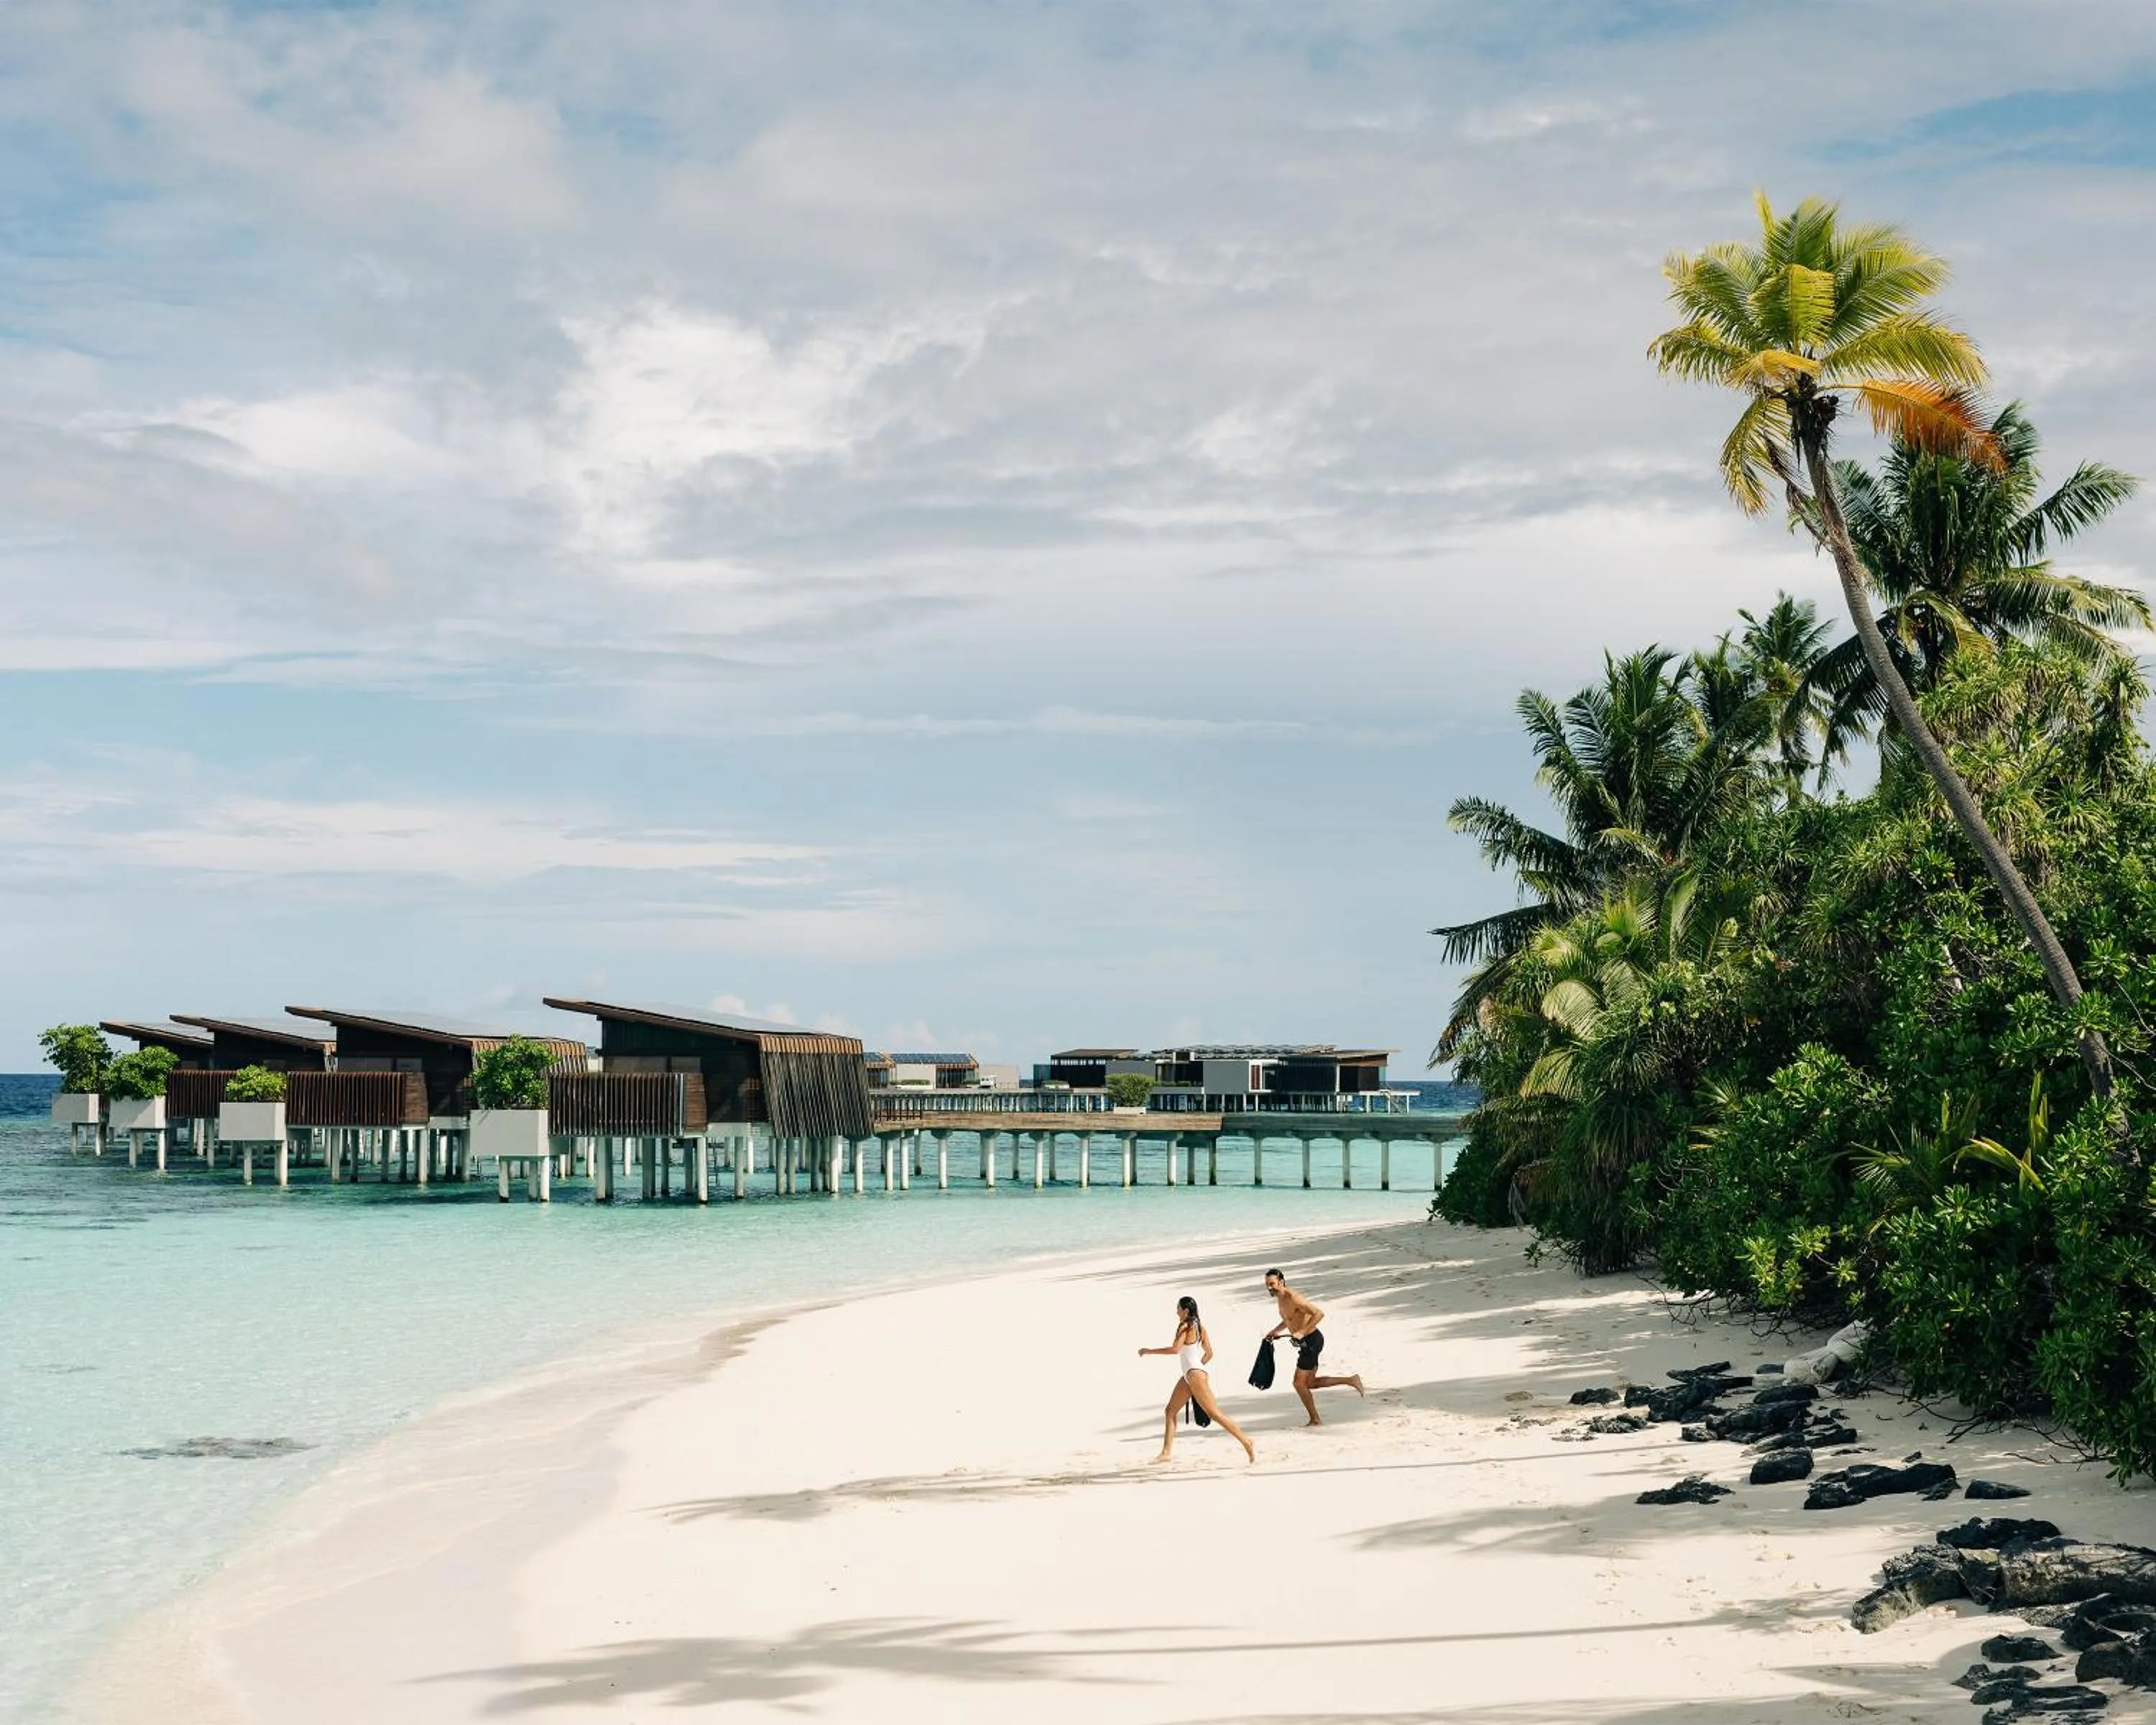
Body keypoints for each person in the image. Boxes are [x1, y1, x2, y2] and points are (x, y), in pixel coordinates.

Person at [1138, 1295, 1254, 1464]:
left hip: (1194, 1374)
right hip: (1192, 1373)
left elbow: (1175, 1349)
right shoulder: (1200, 1327)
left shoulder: (1185, 1326)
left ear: (1185, 1310)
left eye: (1178, 1309)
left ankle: (1246, 1441)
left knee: (1214, 1414)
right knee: (1170, 1411)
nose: (1176, 1312)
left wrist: (1149, 1351)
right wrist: (1198, 1368)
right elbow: (1209, 1354)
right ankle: (1166, 1453)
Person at [1262, 1267, 1363, 1426]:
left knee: (1299, 1384)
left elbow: (1319, 1313)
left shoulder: (1293, 1297)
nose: (1269, 1287)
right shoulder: (1280, 1298)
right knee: (1310, 1383)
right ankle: (1351, 1380)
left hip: (1312, 1341)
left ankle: (1315, 1419)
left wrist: (1301, 1332)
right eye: (1267, 1284)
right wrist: (1276, 1331)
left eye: (1272, 1284)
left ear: (1281, 1282)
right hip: (1307, 1342)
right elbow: (1290, 1319)